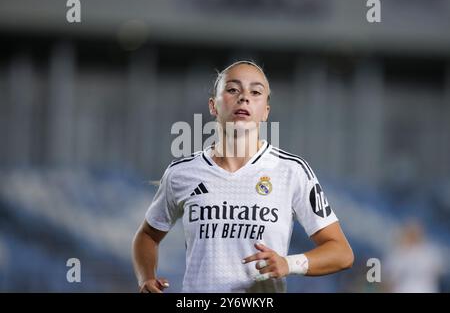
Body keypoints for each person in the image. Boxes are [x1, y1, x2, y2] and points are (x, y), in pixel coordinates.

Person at [132, 60, 354, 293]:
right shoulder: (181, 173)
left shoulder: (292, 171)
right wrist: (146, 277)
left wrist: (289, 263)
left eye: (256, 92)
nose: (244, 97)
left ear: (265, 112)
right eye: (232, 89)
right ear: (213, 106)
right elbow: (148, 235)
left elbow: (341, 252)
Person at [384, 219, 445, 293]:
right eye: (409, 233)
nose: (412, 236)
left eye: (415, 233)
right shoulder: (396, 255)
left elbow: (439, 272)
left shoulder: (431, 252)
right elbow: (388, 279)